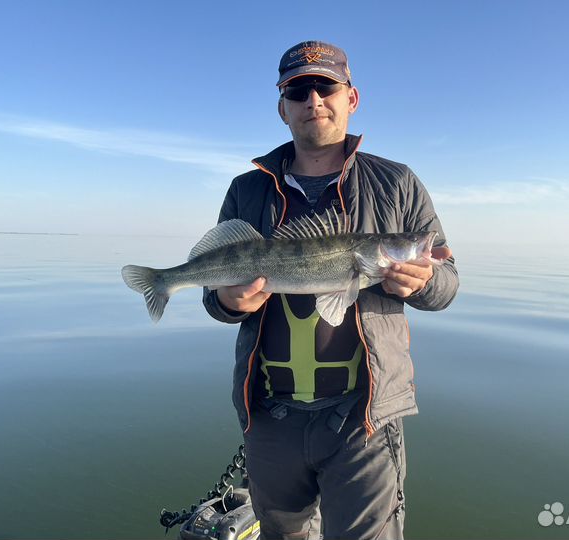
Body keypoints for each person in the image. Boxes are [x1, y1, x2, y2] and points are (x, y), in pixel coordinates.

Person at [202, 40, 458, 540]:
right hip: (271, 414)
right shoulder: (246, 190)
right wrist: (226, 302)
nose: (313, 99)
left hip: (363, 419)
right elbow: (216, 289)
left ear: (351, 97)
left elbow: (448, 281)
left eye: (325, 86)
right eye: (298, 90)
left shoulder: (397, 183)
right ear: (283, 108)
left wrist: (423, 283)